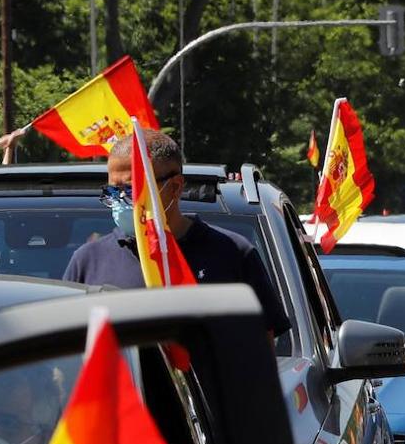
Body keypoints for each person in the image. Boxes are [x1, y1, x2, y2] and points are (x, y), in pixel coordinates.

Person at [62, 129, 290, 337]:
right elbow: (66, 353)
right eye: (113, 191)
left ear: (175, 187)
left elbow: (259, 356)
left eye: (133, 190)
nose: (121, 201)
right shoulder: (88, 261)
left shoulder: (232, 253)